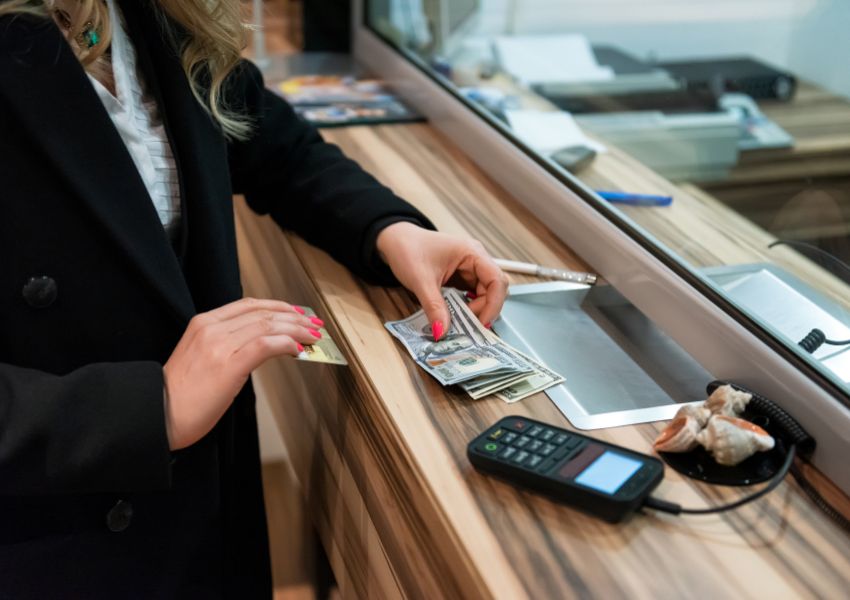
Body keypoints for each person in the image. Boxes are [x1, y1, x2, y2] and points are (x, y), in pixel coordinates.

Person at [0, 0, 508, 597]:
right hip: (51, 537)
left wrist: (389, 231)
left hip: (200, 508)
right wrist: (148, 409)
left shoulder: (149, 13)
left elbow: (269, 139)